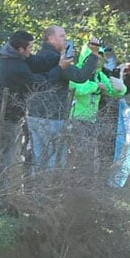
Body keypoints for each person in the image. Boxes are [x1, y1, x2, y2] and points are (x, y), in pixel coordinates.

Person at [0, 30, 64, 194]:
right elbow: (39, 83)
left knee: (4, 158)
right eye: (30, 48)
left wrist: (59, 55)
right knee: (1, 160)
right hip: (0, 119)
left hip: (3, 116)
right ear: (20, 49)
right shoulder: (14, 67)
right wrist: (60, 69)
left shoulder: (15, 57)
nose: (32, 51)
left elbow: (38, 62)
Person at [25, 26, 99, 172]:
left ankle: (35, 192)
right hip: (52, 116)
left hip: (34, 114)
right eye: (62, 36)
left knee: (38, 158)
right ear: (51, 39)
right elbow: (80, 76)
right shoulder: (55, 59)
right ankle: (47, 192)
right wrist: (94, 54)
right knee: (53, 160)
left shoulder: (39, 56)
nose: (66, 39)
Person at [68, 44, 127, 172]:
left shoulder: (99, 75)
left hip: (91, 121)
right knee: (77, 155)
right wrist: (96, 86)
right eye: (96, 57)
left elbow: (112, 91)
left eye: (100, 59)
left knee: (88, 157)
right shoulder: (75, 71)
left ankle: (85, 184)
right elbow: (78, 89)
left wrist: (121, 89)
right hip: (75, 120)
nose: (98, 61)